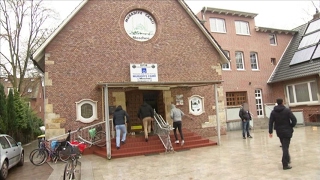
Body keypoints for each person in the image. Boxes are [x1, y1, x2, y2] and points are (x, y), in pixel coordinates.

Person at [269, 98, 297, 170]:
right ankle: (285, 164)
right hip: (287, 131)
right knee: (285, 147)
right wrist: (291, 125)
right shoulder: (287, 110)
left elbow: (271, 122)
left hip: (279, 131)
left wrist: (270, 131)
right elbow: (294, 119)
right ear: (282, 102)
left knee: (284, 146)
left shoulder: (273, 112)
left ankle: (287, 159)